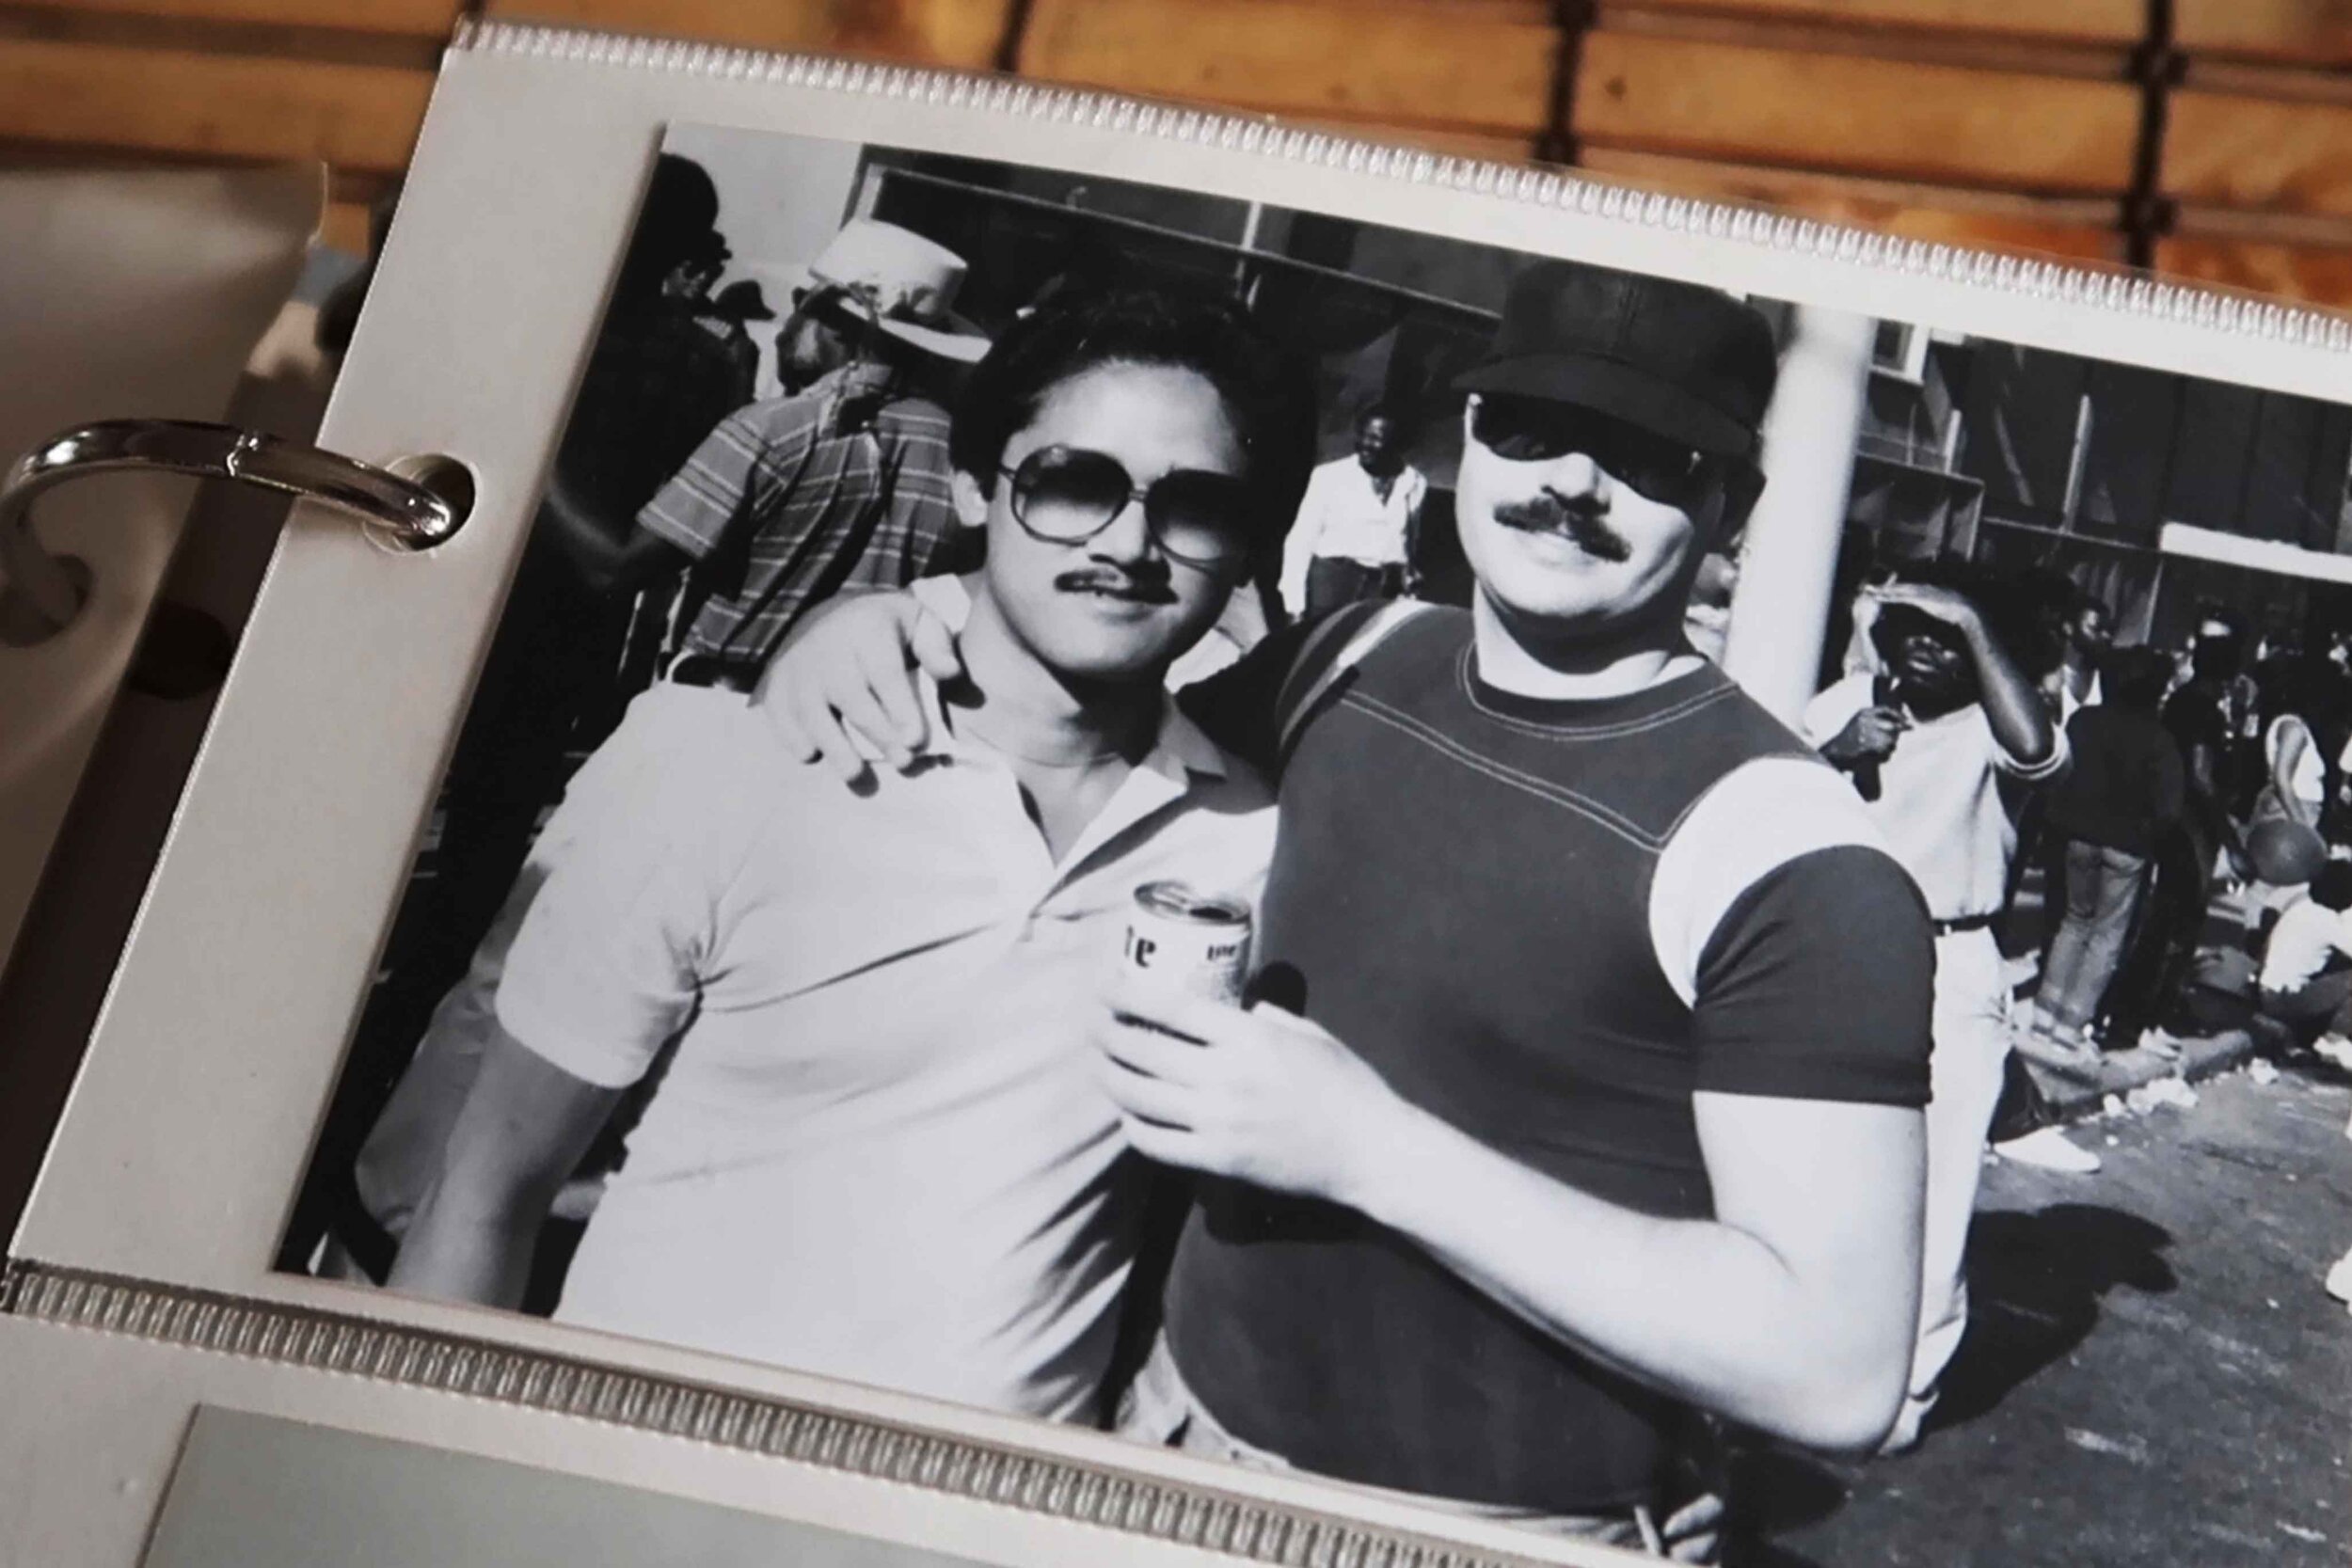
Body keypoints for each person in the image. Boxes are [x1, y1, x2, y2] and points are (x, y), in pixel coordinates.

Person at [765, 263, 1938, 1556]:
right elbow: (1081, 733)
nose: (1572, 486)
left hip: (1494, 1522)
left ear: (1732, 503)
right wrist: (893, 618)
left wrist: (1366, 1146)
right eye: (1533, 429)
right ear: (1468, 443)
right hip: (1170, 1436)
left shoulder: (1791, 846)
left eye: (1644, 453)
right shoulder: (1356, 656)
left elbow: (1836, 1367)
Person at [386, 292, 1311, 1418]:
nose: (1125, 543)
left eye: (1196, 506)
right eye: (1073, 482)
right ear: (978, 485)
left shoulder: (1246, 839)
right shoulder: (741, 763)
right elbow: (482, 1195)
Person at [336, 219, 988, 1257]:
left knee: (522, 968)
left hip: (701, 721)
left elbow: (614, 566)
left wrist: (525, 460)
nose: (784, 331)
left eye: (803, 311)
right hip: (851, 749)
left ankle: (405, 1200)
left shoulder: (769, 431)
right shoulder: (955, 461)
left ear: (832, 320)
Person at [1804, 562, 2069, 1453]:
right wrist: (1834, 751)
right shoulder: (1844, 703)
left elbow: (2039, 749)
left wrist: (1970, 611)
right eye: (1915, 623)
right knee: (1816, 1159)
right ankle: (1799, 1357)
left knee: (1938, 1182)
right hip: (1838, 950)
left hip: (1953, 957)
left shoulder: (1989, 727)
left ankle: (1905, 1389)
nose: (1929, 641)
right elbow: (1761, 798)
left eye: (1951, 634)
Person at [2019, 646, 2185, 1062]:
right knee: (2107, 937)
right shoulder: (2159, 738)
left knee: (2073, 923)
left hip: (2079, 836)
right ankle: (2073, 1027)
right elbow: (2169, 807)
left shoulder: (2084, 720)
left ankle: (2045, 1015)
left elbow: (2063, 772)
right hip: (2128, 846)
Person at [1275, 404, 1428, 619]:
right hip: (1332, 583)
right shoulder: (1329, 476)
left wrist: (1407, 582)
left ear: (1397, 443)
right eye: (1362, 435)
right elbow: (1300, 541)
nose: (1365, 444)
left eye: (1376, 438)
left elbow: (1408, 542)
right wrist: (1294, 607)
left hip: (1381, 590)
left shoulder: (1414, 482)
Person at [2256, 832, 2352, 1050]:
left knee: (2337, 965)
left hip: (2268, 991)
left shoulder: (2302, 907)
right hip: (2284, 999)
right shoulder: (2326, 919)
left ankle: (2312, 1032)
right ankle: (2334, 1039)